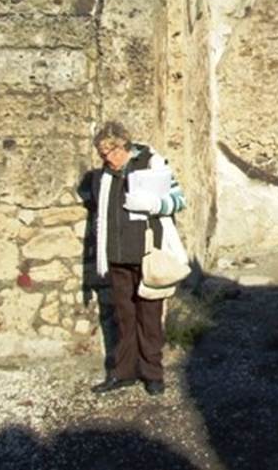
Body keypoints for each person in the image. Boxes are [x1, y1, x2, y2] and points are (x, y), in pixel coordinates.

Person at [90, 121, 186, 396]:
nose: (109, 160)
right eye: (103, 156)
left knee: (149, 317)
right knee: (124, 317)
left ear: (125, 146)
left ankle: (153, 374)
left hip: (147, 254)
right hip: (118, 256)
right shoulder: (106, 176)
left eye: (112, 153)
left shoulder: (153, 164)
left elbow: (178, 200)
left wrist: (154, 205)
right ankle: (124, 372)